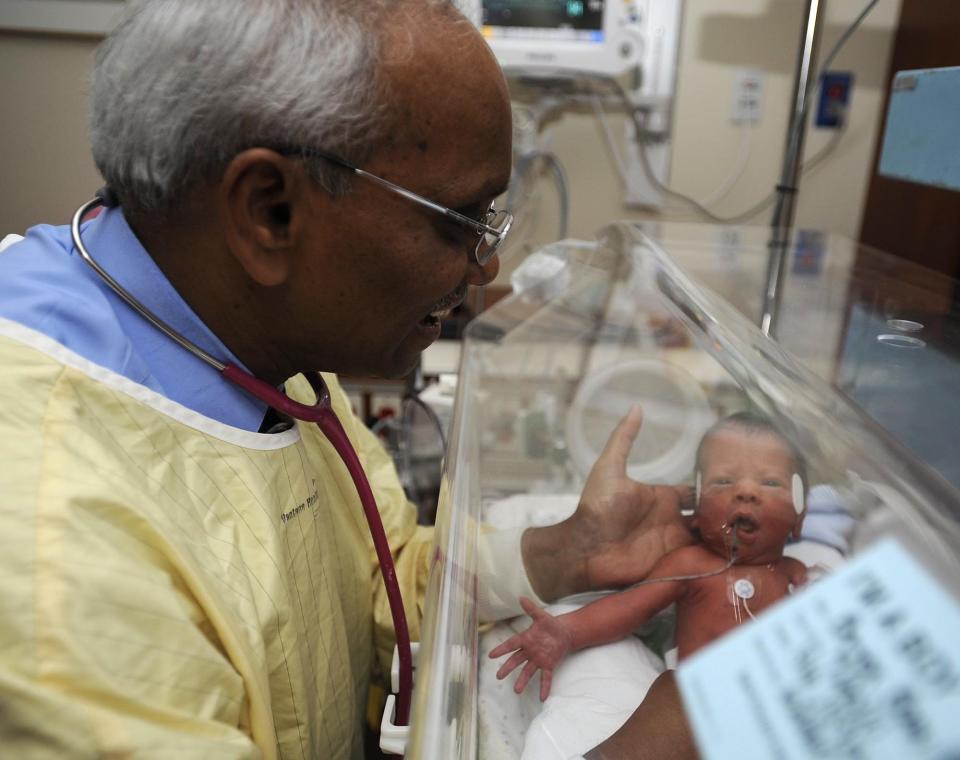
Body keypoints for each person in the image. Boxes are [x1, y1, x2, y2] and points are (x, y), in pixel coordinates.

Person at [0, 1, 697, 758]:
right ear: (269, 210)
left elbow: (371, 576)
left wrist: (569, 551)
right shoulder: (50, 549)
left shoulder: (249, 336)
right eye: (460, 217)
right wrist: (648, 746)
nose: (486, 264)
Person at [490, 412, 809, 705]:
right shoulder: (690, 565)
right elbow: (627, 608)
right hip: (699, 713)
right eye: (724, 481)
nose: (746, 492)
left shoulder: (796, 576)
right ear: (696, 510)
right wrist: (565, 632)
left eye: (770, 483)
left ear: (800, 515)